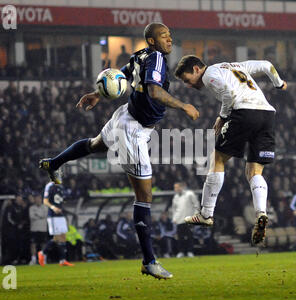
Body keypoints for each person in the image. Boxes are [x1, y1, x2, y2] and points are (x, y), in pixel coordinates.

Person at [39, 22, 199, 279]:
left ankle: (54, 163)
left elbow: (120, 76)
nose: (169, 39)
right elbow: (154, 91)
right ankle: (149, 261)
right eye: (163, 36)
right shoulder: (156, 57)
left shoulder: (142, 55)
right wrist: (184, 106)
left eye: (170, 34)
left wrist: (96, 93)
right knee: (144, 195)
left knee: (94, 145)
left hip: (125, 116)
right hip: (133, 129)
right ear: (151, 41)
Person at [174, 55, 287, 246]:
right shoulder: (235, 66)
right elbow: (268, 65)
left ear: (196, 69)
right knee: (254, 170)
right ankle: (261, 213)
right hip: (267, 114)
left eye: (187, 80)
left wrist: (222, 117)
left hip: (244, 112)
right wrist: (279, 83)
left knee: (217, 159)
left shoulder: (209, 75)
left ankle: (206, 213)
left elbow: (229, 95)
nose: (189, 85)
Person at [38, 182, 74, 267]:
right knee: (57, 237)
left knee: (63, 237)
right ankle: (42, 253)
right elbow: (45, 201)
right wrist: (53, 207)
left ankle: (62, 260)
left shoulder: (61, 187)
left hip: (60, 215)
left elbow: (62, 200)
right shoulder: (49, 186)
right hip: (53, 216)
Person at [171, 182, 200, 258]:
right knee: (180, 237)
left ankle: (190, 251)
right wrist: (174, 218)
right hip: (179, 220)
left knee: (189, 236)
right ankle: (181, 252)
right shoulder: (176, 197)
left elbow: (196, 205)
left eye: (177, 187)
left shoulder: (189, 194)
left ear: (181, 187)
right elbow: (174, 209)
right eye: (175, 188)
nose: (175, 189)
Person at [28, 194, 48, 265]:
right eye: (36, 199)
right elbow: (32, 217)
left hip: (43, 229)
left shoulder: (45, 207)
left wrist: (37, 215)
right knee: (33, 244)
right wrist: (40, 216)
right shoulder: (31, 208)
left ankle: (43, 259)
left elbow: (45, 215)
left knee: (43, 244)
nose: (38, 200)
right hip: (34, 229)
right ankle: (33, 259)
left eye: (39, 199)